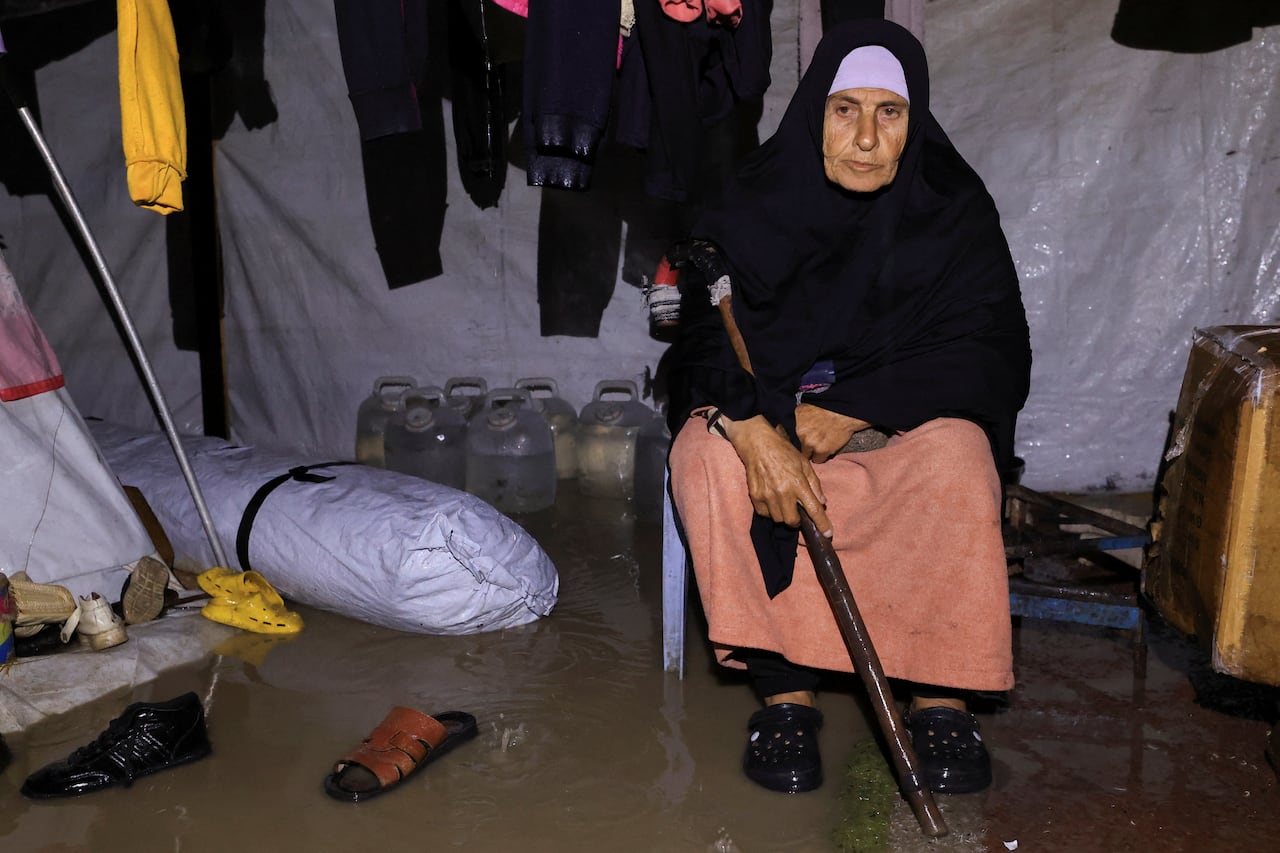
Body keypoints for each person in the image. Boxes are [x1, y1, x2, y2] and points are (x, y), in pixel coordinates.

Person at [664, 18, 1031, 795]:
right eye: (844, 111)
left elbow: (993, 351)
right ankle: (786, 695)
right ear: (813, 115)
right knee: (703, 457)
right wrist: (754, 429)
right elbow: (698, 341)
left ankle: (940, 696)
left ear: (914, 118)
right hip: (776, 423)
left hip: (896, 431)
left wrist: (860, 410)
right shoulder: (752, 202)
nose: (866, 137)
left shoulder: (952, 207)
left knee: (960, 458)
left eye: (889, 113)